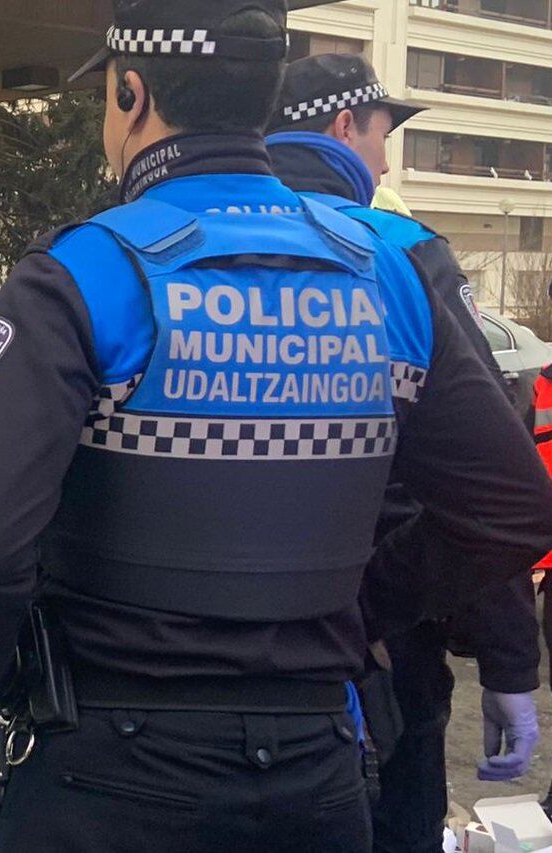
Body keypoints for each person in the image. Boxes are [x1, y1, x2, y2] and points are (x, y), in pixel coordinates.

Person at [0, 1, 552, 849]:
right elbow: (508, 505)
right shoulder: (391, 272)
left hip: (104, 766)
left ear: (131, 93)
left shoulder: (81, 271)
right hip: (314, 767)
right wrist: (358, 603)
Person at [264, 53, 543, 852]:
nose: (385, 159)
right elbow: (487, 494)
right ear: (344, 127)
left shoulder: (173, 245)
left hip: (185, 667)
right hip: (379, 653)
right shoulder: (401, 254)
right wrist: (507, 663)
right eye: (383, 134)